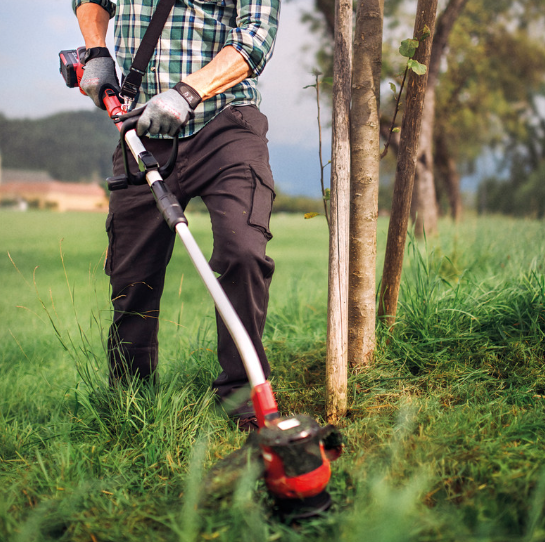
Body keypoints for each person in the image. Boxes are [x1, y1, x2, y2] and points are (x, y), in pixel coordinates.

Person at [72, 0, 280, 431]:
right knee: (132, 274)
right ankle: (131, 402)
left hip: (225, 121)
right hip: (141, 126)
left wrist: (188, 92)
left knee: (243, 251)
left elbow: (256, 37)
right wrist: (96, 52)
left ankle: (243, 398)